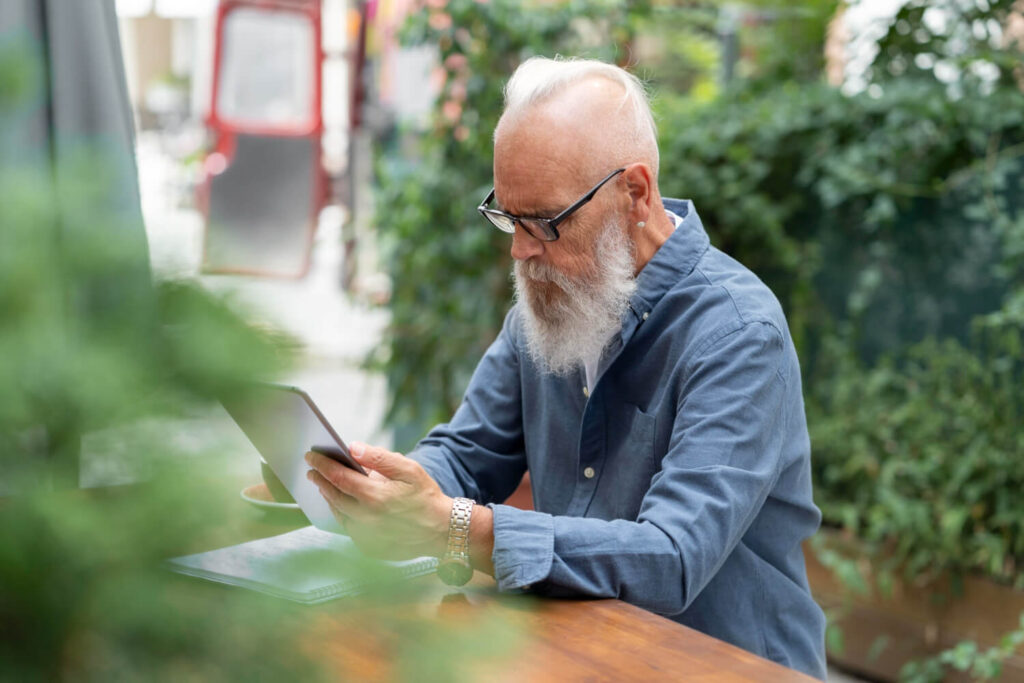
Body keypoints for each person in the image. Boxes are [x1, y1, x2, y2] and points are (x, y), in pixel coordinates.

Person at [306, 56, 827, 679]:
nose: (520, 249)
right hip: (579, 652)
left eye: (546, 223)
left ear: (635, 193)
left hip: (724, 666)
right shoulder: (555, 295)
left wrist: (456, 526)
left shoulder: (739, 336)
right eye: (508, 216)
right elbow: (468, 455)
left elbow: (670, 557)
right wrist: (382, 488)